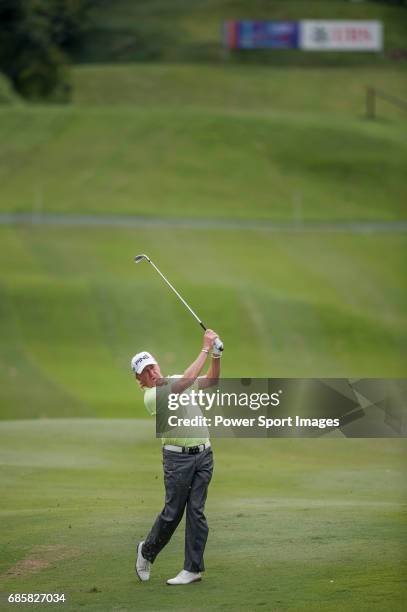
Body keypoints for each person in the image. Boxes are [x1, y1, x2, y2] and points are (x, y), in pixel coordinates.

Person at [131, 329, 221, 586]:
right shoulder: (152, 395)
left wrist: (216, 355)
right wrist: (204, 347)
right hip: (177, 461)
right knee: (172, 514)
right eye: (145, 372)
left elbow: (210, 381)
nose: (151, 372)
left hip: (204, 454)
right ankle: (146, 552)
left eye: (152, 366)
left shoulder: (174, 379)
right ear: (140, 379)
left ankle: (192, 569)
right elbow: (185, 382)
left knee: (197, 512)